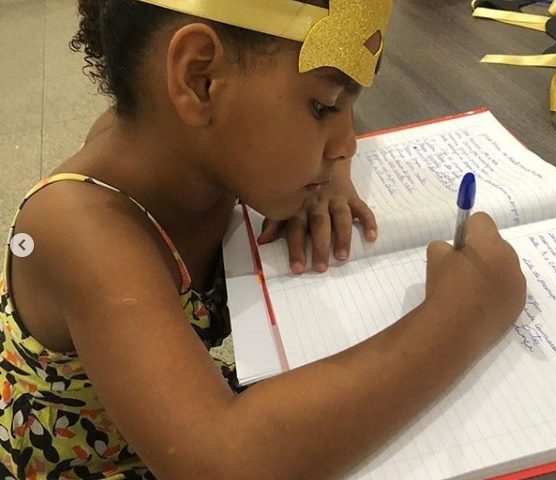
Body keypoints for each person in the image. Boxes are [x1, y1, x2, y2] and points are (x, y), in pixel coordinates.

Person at [0, 0, 527, 478]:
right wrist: (467, 311)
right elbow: (220, 463)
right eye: (323, 108)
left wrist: (326, 176)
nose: (348, 144)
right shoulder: (76, 229)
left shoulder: (182, 143)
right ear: (201, 79)